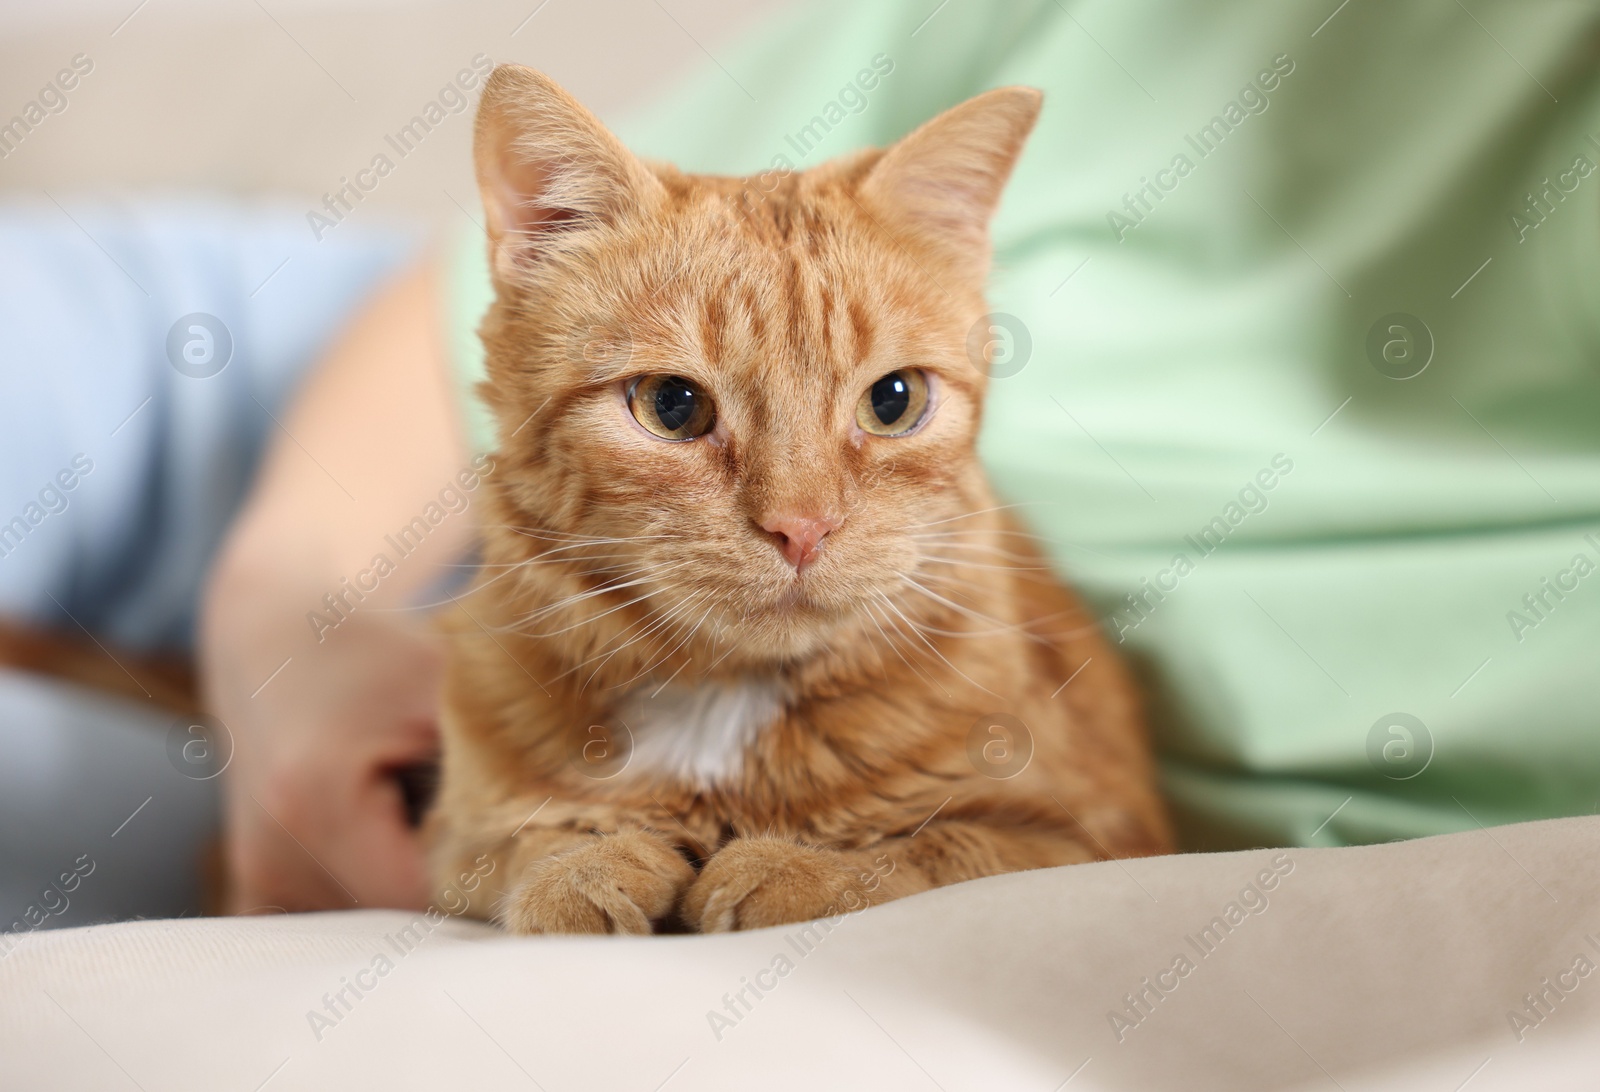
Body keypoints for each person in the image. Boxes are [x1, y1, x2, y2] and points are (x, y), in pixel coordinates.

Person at [5, 0, 1599, 923]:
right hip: (316, 408)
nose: (799, 519)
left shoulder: (980, 658)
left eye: (893, 406)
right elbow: (467, 289)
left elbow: (1089, 846)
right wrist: (283, 616)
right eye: (690, 416)